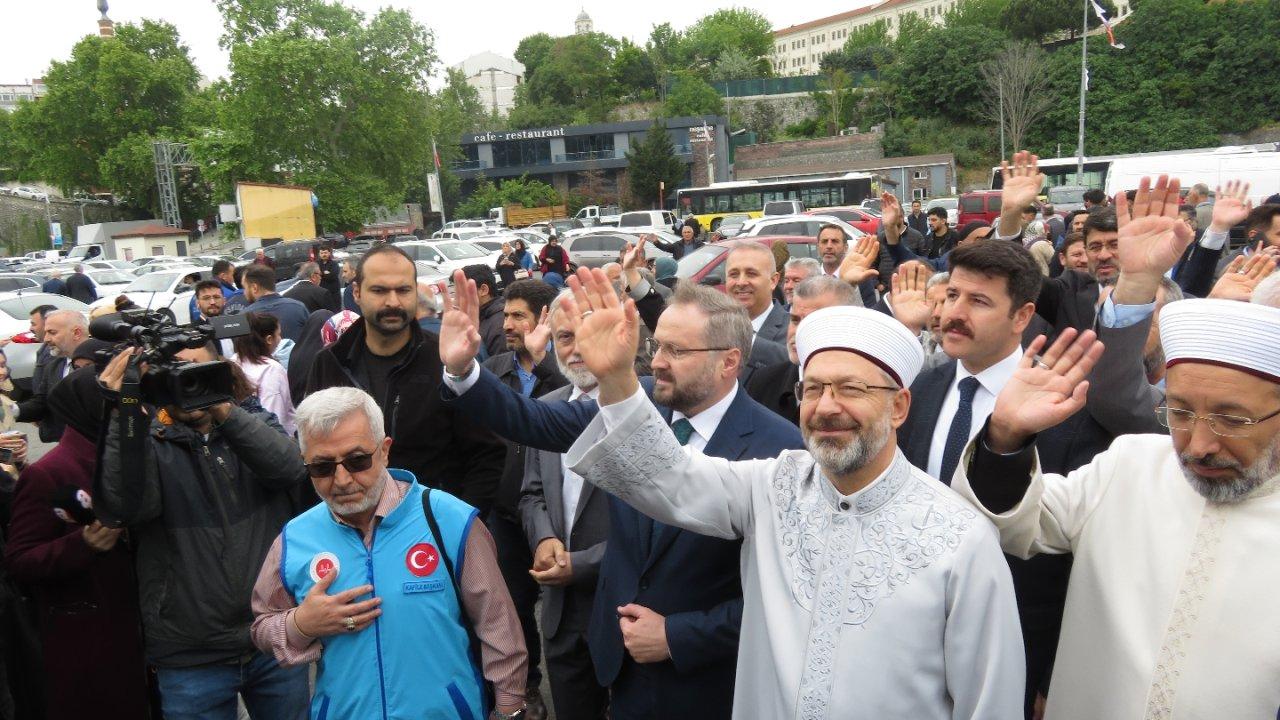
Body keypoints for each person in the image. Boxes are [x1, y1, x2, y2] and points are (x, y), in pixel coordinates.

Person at [559, 272, 1024, 719]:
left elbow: (990, 702)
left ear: (899, 406)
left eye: (851, 389)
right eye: (814, 389)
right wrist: (618, 381)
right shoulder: (772, 487)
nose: (826, 407)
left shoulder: (959, 537)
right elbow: (668, 479)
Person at [440, 276, 804, 720]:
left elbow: (783, 597)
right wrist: (464, 372)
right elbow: (535, 421)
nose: (658, 362)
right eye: (657, 346)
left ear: (729, 361)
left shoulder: (780, 449)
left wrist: (678, 635)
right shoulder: (640, 402)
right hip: (620, 662)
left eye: (676, 351)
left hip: (709, 682)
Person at [953, 300, 1280, 718]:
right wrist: (1005, 434)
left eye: (1232, 421)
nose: (1198, 446)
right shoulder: (1130, 464)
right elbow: (1011, 523)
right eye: (1179, 412)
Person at [896, 238, 1161, 717]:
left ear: (1022, 316)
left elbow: (1083, 558)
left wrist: (1051, 671)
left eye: (979, 301)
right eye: (952, 295)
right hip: (914, 638)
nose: (954, 313)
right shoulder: (922, 390)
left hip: (1018, 646)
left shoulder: (1066, 407)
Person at [250, 386, 529, 719]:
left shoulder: (449, 519)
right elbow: (262, 627)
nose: (342, 479)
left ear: (384, 451)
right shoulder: (295, 538)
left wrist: (509, 709)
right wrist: (302, 624)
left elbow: (498, 625)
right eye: (322, 467)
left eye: (357, 461)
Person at [94, 344, 311, 720]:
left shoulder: (251, 422)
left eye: (197, 370)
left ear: (221, 371)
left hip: (272, 635)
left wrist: (222, 407)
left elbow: (290, 468)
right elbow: (126, 507)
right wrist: (121, 410)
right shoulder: (147, 440)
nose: (187, 382)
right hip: (190, 653)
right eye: (176, 373)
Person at [304, 244, 506, 514]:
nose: (393, 302)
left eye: (403, 290)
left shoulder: (446, 361)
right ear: (357, 293)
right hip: (351, 524)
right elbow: (313, 452)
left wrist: (457, 523)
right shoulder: (329, 363)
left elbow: (487, 455)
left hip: (433, 524)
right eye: (379, 290)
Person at [3, 367, 149, 720]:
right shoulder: (50, 472)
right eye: (124, 405)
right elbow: (21, 559)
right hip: (88, 642)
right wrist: (83, 545)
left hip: (146, 632)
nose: (140, 412)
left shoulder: (137, 458)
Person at [517, 289, 612, 720]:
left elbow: (658, 520)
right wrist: (544, 538)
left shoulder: (649, 411)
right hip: (561, 615)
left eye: (586, 335)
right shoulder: (546, 408)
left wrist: (584, 564)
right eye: (565, 337)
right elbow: (531, 493)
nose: (575, 350)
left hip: (623, 608)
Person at [480, 278, 564, 720]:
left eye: (518, 316)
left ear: (544, 319)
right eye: (505, 315)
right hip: (507, 512)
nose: (508, 325)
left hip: (558, 512)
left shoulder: (565, 367)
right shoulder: (494, 369)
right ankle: (527, 684)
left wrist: (544, 362)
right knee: (512, 603)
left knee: (568, 606)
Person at [744, 275, 861, 426]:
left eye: (812, 322)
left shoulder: (865, 386)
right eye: (795, 320)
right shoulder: (763, 382)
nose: (798, 332)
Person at [15, 310, 86, 443]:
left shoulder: (102, 363)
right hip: (65, 444)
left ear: (76, 333)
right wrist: (10, 410)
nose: (46, 339)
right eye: (46, 332)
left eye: (52, 333)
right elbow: (41, 403)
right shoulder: (54, 366)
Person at [232, 312, 296, 435]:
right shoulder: (270, 369)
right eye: (279, 334)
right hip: (275, 437)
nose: (280, 339)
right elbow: (275, 414)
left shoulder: (233, 361)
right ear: (269, 339)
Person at [725, 242, 788, 346]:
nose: (741, 282)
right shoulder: (713, 330)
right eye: (734, 274)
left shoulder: (794, 333)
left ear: (773, 280)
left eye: (751, 274)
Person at [243, 264, 310, 342]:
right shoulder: (298, 307)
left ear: (254, 287)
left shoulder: (244, 317)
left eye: (245, 287)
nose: (244, 292)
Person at [462, 264, 508, 359]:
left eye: (462, 291)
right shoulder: (481, 316)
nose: (457, 299)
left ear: (483, 290)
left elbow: (501, 366)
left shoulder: (500, 327)